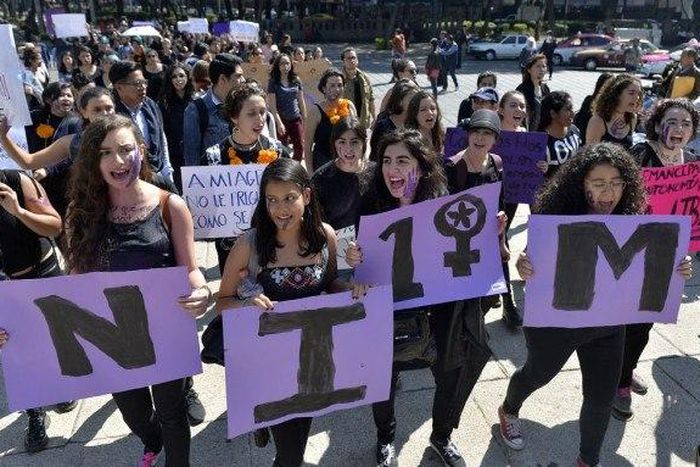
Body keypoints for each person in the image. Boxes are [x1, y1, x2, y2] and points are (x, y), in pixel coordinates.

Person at [497, 142, 693, 467]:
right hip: (556, 326)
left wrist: (677, 265)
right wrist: (523, 264)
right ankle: (509, 409)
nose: (609, 191)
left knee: (600, 398)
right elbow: (531, 258)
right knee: (537, 374)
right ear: (581, 184)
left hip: (607, 327)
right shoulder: (556, 216)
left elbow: (649, 265)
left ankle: (588, 460)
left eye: (616, 182)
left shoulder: (632, 220)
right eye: (598, 183)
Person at [347, 128, 501, 467]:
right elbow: (362, 256)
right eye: (387, 161)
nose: (392, 169)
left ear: (422, 165)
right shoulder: (371, 203)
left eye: (403, 161)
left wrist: (492, 231)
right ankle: (385, 438)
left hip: (440, 313)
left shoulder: (443, 200)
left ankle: (442, 436)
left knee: (450, 372)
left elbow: (467, 245)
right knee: (382, 378)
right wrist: (354, 259)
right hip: (390, 313)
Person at [65, 115, 211, 467]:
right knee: (135, 415)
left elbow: (190, 269)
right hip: (114, 338)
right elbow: (73, 284)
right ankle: (151, 439)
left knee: (173, 413)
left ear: (141, 152)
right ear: (93, 161)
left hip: (165, 333)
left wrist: (203, 292)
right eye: (106, 153)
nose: (118, 161)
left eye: (126, 149)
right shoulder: (80, 215)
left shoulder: (170, 206)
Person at [216, 157, 366, 467]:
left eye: (289, 198)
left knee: (302, 423)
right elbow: (223, 301)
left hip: (312, 362)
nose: (280, 209)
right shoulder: (249, 244)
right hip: (268, 363)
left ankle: (264, 426)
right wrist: (246, 304)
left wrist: (352, 289)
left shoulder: (326, 236)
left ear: (307, 196)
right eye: (272, 200)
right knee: (291, 453)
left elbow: (331, 281)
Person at [615, 98, 699, 421]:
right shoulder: (640, 155)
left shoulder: (691, 163)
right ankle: (616, 380)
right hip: (632, 250)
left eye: (686, 124)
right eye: (673, 121)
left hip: (668, 257)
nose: (679, 129)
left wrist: (688, 251)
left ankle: (626, 369)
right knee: (625, 319)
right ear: (658, 123)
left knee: (645, 322)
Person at [0, 165, 75, 453]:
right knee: (18, 351)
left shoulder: (16, 180)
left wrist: (18, 210)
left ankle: (61, 384)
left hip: (43, 271)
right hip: (7, 286)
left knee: (56, 335)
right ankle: (34, 413)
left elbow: (54, 225)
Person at [203, 83, 291, 270]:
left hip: (273, 242)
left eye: (263, 111)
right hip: (232, 248)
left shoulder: (277, 151)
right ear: (235, 117)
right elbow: (205, 206)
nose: (260, 119)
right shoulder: (214, 157)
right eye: (251, 113)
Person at [448, 109, 519, 327]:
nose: (480, 138)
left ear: (495, 139)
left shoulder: (497, 164)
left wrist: (502, 244)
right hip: (460, 244)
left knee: (489, 295)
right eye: (476, 132)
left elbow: (500, 205)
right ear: (468, 135)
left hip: (488, 240)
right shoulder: (453, 167)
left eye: (487, 133)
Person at [0, 87, 116, 219]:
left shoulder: (129, 134)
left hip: (126, 202)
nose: (105, 113)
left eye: (109, 108)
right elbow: (28, 162)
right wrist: (4, 137)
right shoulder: (73, 142)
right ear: (84, 112)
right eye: (97, 110)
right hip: (92, 209)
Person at [311, 117, 375, 280]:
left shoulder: (377, 172)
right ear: (334, 143)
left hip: (374, 249)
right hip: (339, 255)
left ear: (363, 142)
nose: (348, 148)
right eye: (342, 141)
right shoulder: (321, 178)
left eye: (354, 142)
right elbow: (315, 223)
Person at [109, 61, 174, 183]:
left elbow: (161, 138)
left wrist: (167, 170)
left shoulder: (151, 106)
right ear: (119, 87)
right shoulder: (112, 113)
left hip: (158, 173)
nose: (143, 87)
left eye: (144, 82)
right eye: (137, 84)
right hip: (127, 179)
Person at [183, 53, 244, 166]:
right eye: (238, 76)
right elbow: (192, 158)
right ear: (222, 79)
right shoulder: (196, 110)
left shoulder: (243, 106)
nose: (243, 80)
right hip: (213, 179)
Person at [304, 69, 357, 172]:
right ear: (324, 88)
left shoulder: (349, 106)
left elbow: (357, 137)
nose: (336, 89)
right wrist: (310, 173)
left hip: (347, 160)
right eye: (332, 85)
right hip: (323, 163)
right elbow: (307, 145)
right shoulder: (315, 112)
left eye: (339, 85)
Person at [159, 63, 194, 192]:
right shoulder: (164, 103)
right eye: (174, 77)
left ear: (188, 77)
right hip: (175, 154)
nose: (178, 79)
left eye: (181, 75)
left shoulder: (196, 100)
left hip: (193, 151)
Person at [585, 73, 642, 150]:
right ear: (617, 94)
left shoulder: (632, 119)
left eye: (638, 94)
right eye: (631, 93)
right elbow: (590, 154)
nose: (637, 98)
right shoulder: (597, 121)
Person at [267, 54, 307, 161]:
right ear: (278, 66)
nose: (285, 66)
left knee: (300, 147)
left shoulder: (296, 80)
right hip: (281, 120)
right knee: (281, 148)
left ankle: (294, 168)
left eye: (287, 63)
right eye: (282, 64)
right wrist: (279, 123)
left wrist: (305, 119)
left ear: (291, 65)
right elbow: (272, 107)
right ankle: (284, 169)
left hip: (295, 119)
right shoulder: (273, 82)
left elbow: (301, 101)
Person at [370, 79, 419, 161]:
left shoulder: (418, 121)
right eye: (411, 98)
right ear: (400, 101)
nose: (416, 102)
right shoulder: (383, 125)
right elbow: (375, 156)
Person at [538, 91, 582, 179]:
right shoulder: (539, 139)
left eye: (572, 108)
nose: (573, 113)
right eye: (568, 109)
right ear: (553, 114)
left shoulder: (574, 131)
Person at [25, 82, 77, 153]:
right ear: (48, 100)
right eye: (61, 95)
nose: (66, 98)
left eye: (69, 96)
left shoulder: (76, 122)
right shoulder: (35, 117)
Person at [574, 73, 614, 145]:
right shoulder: (590, 100)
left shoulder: (615, 105)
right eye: (606, 86)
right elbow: (581, 122)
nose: (609, 89)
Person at [341, 47, 375, 129]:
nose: (352, 60)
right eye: (348, 58)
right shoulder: (339, 79)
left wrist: (374, 117)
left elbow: (371, 99)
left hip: (363, 122)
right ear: (343, 61)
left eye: (353, 57)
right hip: (346, 123)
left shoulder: (365, 78)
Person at [516, 54, 550, 131]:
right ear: (529, 70)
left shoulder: (545, 89)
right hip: (527, 130)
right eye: (538, 66)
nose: (541, 70)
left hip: (542, 129)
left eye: (543, 66)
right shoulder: (522, 90)